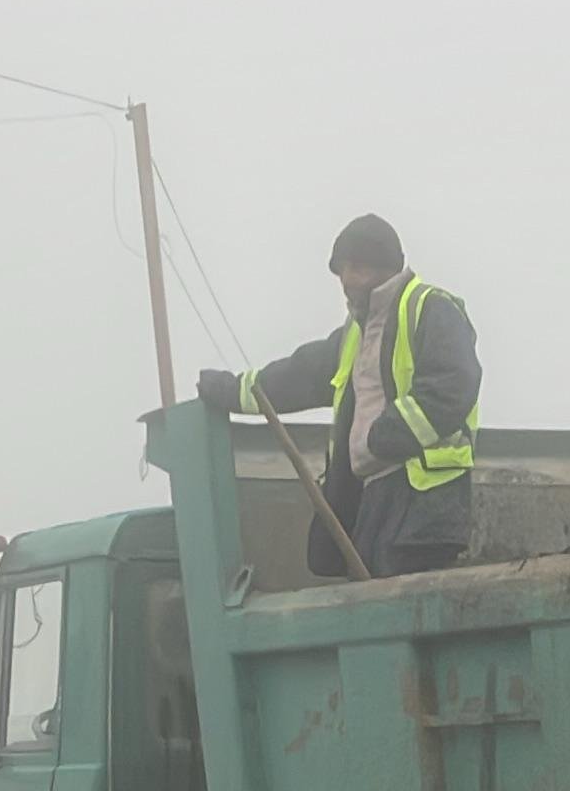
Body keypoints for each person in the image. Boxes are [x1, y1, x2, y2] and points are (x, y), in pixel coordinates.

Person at [198, 213, 483, 578]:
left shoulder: (431, 308)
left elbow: (452, 385)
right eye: (341, 271)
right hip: (372, 498)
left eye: (358, 267)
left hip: (423, 501)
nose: (347, 281)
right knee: (371, 611)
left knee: (395, 614)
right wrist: (230, 390)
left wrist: (383, 437)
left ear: (387, 267)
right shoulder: (356, 334)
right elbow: (297, 375)